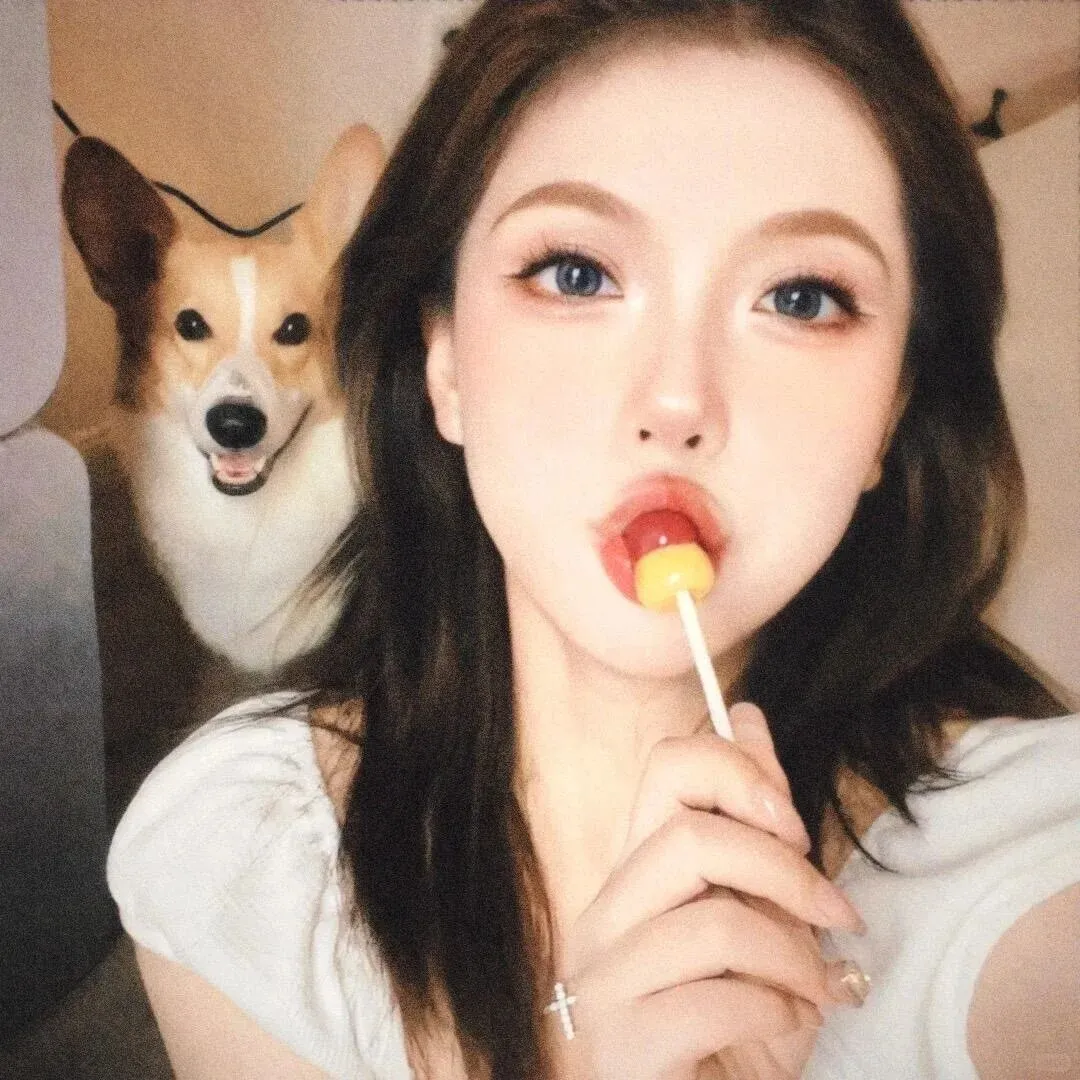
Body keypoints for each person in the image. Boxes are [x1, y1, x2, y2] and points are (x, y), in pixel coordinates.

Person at [106, 1, 1079, 1077]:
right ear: (444, 362)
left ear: (891, 411)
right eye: (576, 273)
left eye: (802, 297)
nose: (677, 400)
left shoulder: (1033, 862)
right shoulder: (238, 868)